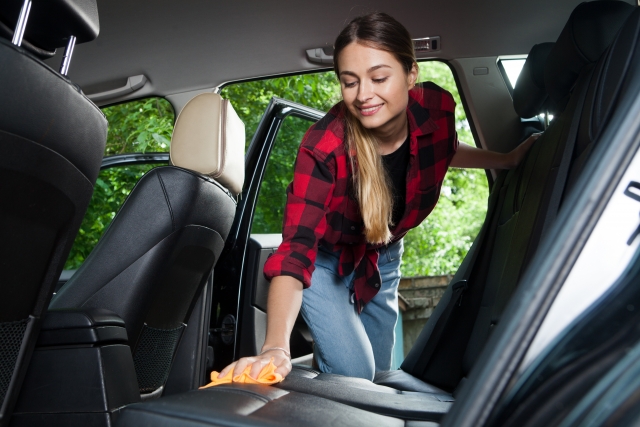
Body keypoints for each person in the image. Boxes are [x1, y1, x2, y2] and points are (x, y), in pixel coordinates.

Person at [218, 12, 539, 382]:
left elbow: (444, 148)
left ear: (411, 74)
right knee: (355, 375)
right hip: (326, 262)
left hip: (384, 254)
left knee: (382, 376)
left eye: (379, 78)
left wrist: (507, 160)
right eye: (349, 82)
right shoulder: (323, 148)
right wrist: (275, 347)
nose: (363, 95)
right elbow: (295, 251)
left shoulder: (435, 107)